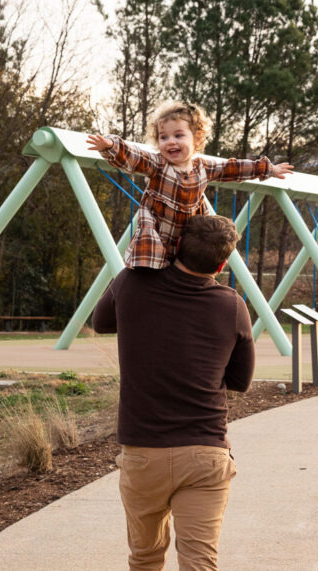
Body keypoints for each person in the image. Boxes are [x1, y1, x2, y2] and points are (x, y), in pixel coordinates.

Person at [92, 214, 254, 571]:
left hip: (142, 452)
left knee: (145, 558)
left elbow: (100, 321)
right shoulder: (231, 305)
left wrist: (141, 267)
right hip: (204, 452)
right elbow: (241, 381)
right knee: (199, 561)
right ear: (223, 263)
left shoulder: (132, 284)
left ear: (176, 245)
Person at [86, 100, 294, 271]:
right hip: (156, 235)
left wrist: (266, 169)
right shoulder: (158, 164)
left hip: (185, 238)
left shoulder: (202, 167)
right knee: (148, 266)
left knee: (193, 262)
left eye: (178, 135)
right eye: (163, 137)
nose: (170, 142)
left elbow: (233, 168)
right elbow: (135, 157)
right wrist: (111, 146)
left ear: (197, 138)